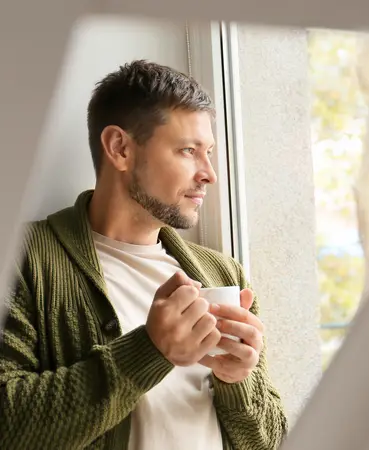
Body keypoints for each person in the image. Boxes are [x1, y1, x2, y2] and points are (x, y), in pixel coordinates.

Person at [0, 60, 287, 450]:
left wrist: (238, 381)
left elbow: (269, 442)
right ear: (120, 148)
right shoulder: (23, 260)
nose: (209, 174)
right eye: (188, 151)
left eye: (210, 153)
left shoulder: (222, 274)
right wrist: (149, 351)